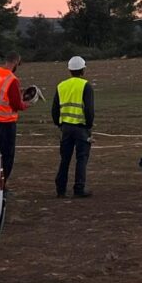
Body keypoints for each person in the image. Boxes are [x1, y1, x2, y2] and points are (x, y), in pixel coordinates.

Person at [51, 56, 96, 198]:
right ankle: (79, 188)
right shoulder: (86, 86)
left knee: (65, 159)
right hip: (81, 128)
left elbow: (54, 110)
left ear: (70, 70)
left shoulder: (61, 86)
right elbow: (89, 109)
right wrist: (89, 126)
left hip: (65, 128)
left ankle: (60, 189)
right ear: (83, 70)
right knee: (81, 158)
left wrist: (60, 124)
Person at [0, 52, 29, 188]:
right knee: (6, 156)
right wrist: (26, 104)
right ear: (16, 62)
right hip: (5, 123)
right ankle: (1, 185)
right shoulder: (12, 79)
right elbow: (16, 104)